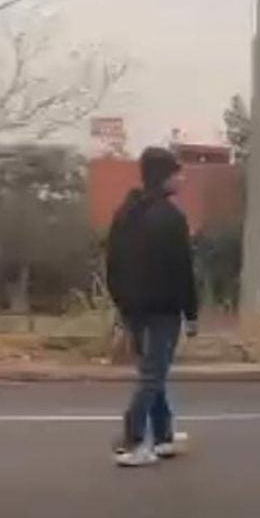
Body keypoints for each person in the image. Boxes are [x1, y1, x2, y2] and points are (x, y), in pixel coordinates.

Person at [106, 147, 199, 468]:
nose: (182, 178)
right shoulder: (171, 218)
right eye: (177, 173)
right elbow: (182, 270)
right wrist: (192, 313)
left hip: (132, 308)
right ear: (164, 176)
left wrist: (120, 302)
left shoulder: (125, 214)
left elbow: (112, 264)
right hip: (163, 309)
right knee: (152, 375)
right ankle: (131, 441)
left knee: (152, 373)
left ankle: (163, 437)